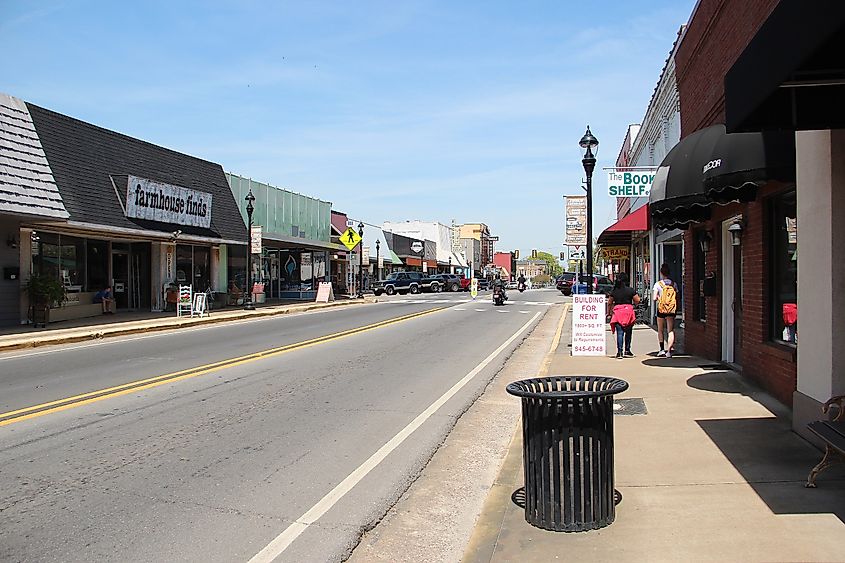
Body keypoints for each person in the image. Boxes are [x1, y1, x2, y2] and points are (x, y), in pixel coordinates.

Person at [606, 272, 640, 359]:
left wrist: (609, 313)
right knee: (628, 332)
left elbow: (609, 303)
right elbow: (637, 300)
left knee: (620, 333)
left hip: (618, 312)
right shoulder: (630, 290)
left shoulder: (614, 291)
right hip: (628, 311)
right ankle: (627, 350)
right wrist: (634, 306)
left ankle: (619, 352)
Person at [653, 263, 678, 357]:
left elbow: (654, 298)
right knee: (670, 330)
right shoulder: (673, 284)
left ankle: (661, 349)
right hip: (671, 309)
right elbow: (677, 296)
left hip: (661, 309)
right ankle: (669, 351)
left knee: (660, 329)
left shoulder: (658, 284)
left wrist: (660, 298)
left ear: (661, 273)